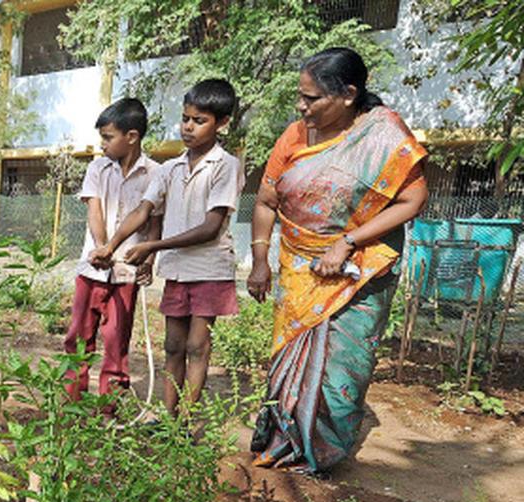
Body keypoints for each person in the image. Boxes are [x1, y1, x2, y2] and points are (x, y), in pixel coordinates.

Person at [247, 47, 427, 473]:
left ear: (347, 94)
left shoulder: (383, 135)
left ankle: (321, 450)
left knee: (344, 362)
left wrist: (347, 242)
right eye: (300, 96)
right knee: (289, 357)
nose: (301, 106)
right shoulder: (294, 136)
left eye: (311, 99)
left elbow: (412, 199)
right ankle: (283, 439)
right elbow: (266, 200)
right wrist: (260, 258)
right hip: (300, 267)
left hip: (358, 269)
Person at [93, 79, 244, 415]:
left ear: (222, 123)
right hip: (176, 269)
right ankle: (168, 415)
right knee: (173, 345)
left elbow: (210, 227)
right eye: (186, 118)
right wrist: (112, 245)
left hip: (208, 269)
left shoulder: (226, 166)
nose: (188, 127)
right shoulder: (170, 168)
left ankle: (185, 423)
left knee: (196, 345)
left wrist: (153, 246)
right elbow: (143, 210)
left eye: (199, 120)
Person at [64, 97, 161, 405]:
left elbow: (154, 223)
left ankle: (109, 410)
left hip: (126, 274)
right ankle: (72, 403)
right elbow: (94, 210)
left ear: (131, 137)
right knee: (78, 338)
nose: (103, 144)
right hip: (91, 269)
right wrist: (102, 247)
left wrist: (149, 259)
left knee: (116, 342)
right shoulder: (97, 168)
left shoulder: (157, 173)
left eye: (108, 137)